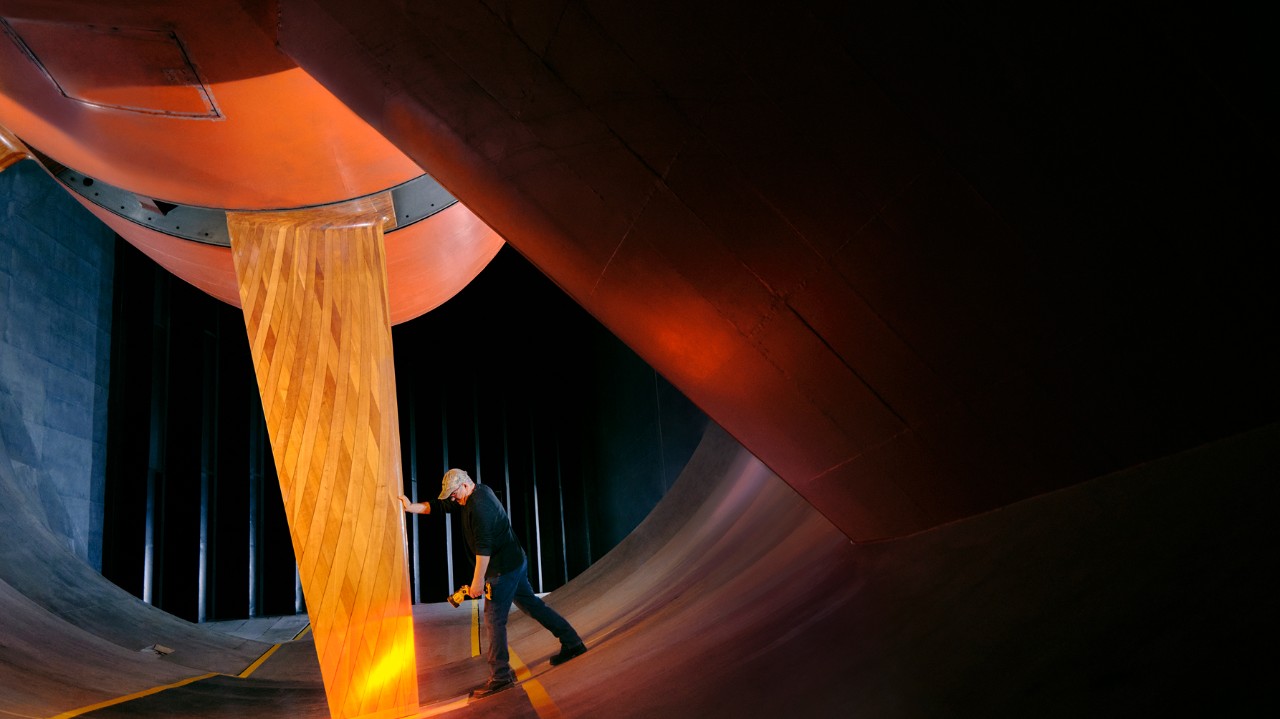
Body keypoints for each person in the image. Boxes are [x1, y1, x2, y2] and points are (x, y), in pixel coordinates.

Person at [399, 468, 588, 698]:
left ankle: (501, 677)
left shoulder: (479, 507)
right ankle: (573, 642)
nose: (451, 497)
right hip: (515, 561)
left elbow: (484, 549)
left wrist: (477, 582)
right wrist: (411, 507)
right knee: (535, 607)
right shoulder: (473, 493)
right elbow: (439, 506)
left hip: (503, 570)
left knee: (494, 620)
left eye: (453, 493)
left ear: (465, 486)